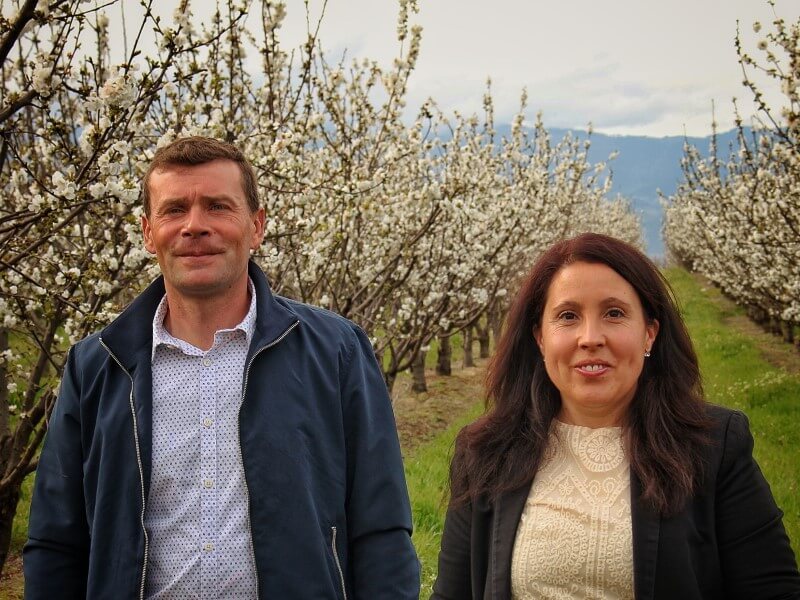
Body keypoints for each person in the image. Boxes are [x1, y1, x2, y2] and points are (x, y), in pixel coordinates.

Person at [24, 136, 420, 599]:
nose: (195, 226)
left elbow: (382, 528)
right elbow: (56, 542)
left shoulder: (336, 352)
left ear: (256, 226)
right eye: (174, 210)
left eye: (217, 206)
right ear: (148, 232)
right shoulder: (96, 367)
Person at [431, 232, 800, 599]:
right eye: (568, 316)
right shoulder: (485, 453)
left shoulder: (713, 447)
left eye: (614, 313)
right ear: (540, 338)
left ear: (649, 334)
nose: (590, 337)